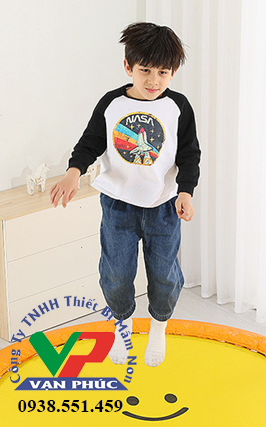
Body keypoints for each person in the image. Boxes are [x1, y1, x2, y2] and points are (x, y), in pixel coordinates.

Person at [49, 22, 200, 367]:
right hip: (118, 205)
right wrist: (74, 171)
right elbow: (90, 143)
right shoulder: (112, 103)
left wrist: (186, 192)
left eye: (163, 72)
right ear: (128, 67)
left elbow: (190, 154)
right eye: (145, 70)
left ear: (173, 72)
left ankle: (158, 328)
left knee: (163, 274)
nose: (153, 80)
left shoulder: (178, 106)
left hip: (163, 205)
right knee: (116, 274)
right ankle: (122, 326)